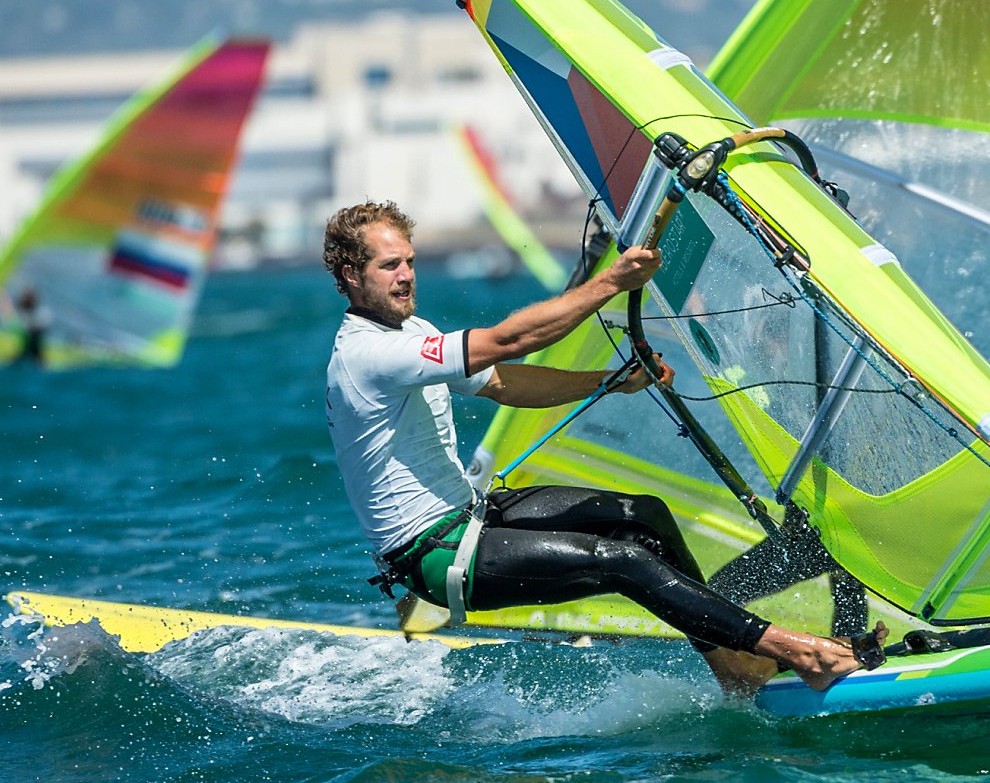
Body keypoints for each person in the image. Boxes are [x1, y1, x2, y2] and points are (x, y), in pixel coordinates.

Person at [321, 199, 870, 694]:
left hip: (472, 512)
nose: (406, 275)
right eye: (389, 266)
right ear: (350, 274)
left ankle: (731, 665)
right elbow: (510, 340)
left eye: (409, 261)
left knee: (643, 517)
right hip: (436, 555)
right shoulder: (367, 355)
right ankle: (797, 652)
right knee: (624, 562)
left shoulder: (410, 330)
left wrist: (607, 380)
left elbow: (504, 382)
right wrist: (611, 281)